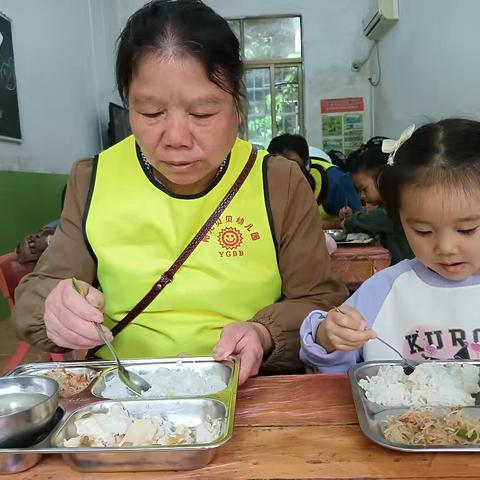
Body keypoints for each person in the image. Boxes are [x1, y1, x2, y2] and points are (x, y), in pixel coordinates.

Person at [13, 0, 348, 384]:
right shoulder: (93, 178)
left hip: (249, 389)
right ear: (128, 102)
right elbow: (37, 295)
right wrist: (54, 307)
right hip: (126, 396)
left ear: (238, 103)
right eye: (151, 113)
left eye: (202, 114)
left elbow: (322, 302)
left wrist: (264, 332)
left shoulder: (278, 181)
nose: (175, 139)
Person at [300, 118, 480, 372]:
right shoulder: (385, 290)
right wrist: (327, 337)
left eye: (467, 229)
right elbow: (335, 363)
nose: (446, 247)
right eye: (423, 231)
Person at [268, 134, 361, 227]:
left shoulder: (335, 180)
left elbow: (357, 222)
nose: (285, 170)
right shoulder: (265, 183)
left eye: (292, 164)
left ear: (307, 164)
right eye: (278, 165)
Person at [340, 147, 414, 264]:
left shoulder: (395, 208)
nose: (361, 196)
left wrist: (347, 222)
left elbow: (372, 219)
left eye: (364, 189)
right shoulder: (389, 205)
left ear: (382, 178)